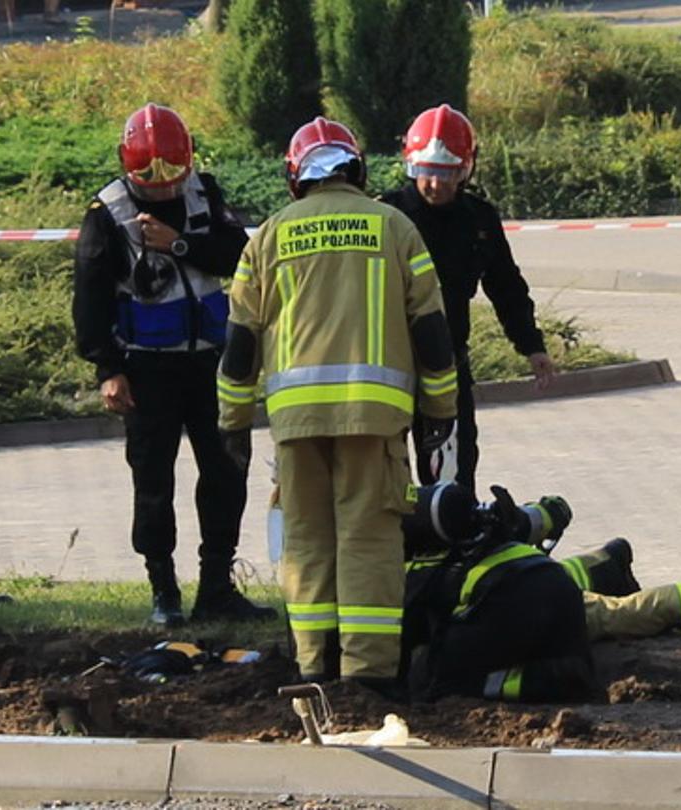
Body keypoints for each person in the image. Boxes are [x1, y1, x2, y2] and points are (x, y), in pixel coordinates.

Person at [218, 116, 459, 691]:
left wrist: (231, 423)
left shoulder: (269, 236)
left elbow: (240, 343)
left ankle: (314, 665)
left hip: (295, 422)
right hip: (372, 419)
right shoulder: (394, 227)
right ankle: (368, 676)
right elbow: (431, 332)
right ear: (356, 169)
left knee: (305, 539)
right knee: (369, 538)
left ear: (294, 176)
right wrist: (440, 414)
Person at [72, 103, 274, 627]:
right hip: (145, 371)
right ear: (127, 166)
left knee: (227, 472)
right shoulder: (107, 213)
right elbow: (89, 301)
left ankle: (217, 586)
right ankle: (163, 589)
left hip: (211, 364)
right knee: (153, 481)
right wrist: (107, 370)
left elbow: (239, 255)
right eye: (148, 176)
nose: (161, 187)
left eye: (171, 174)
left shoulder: (203, 193)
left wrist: (178, 243)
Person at [400, 482, 681, 703]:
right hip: (527, 582)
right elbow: (548, 514)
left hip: (516, 602)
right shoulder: (465, 530)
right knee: (564, 584)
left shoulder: (406, 567)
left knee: (626, 614)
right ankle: (605, 564)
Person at [378, 105, 554, 490]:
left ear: (466, 170)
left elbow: (506, 286)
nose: (435, 185)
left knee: (454, 473)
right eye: (427, 173)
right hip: (390, 367)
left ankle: (452, 540)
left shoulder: (478, 219)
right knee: (385, 475)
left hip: (448, 365)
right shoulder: (386, 216)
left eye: (446, 174)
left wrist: (531, 345)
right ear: (411, 165)